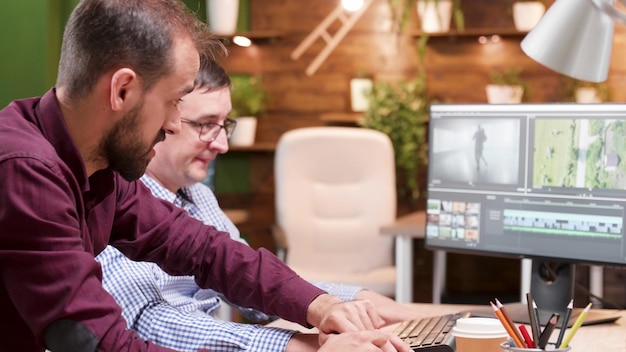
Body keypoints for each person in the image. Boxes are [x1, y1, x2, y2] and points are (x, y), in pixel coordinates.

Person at [0, 1, 408, 351]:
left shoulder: (98, 168)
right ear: (122, 91)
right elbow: (102, 343)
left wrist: (321, 306)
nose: (176, 123)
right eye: (174, 101)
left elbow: (204, 249)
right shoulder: (24, 171)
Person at [96, 58, 423, 351]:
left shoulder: (197, 194)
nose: (222, 144)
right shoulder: (110, 197)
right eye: (206, 124)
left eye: (224, 125)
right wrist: (296, 346)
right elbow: (145, 323)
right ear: (157, 117)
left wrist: (351, 302)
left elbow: (245, 277)